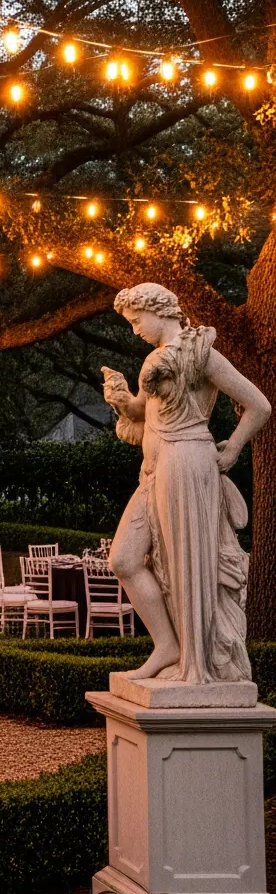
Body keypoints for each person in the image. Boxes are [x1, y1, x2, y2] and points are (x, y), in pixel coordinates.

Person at [103, 283, 270, 684]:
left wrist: (232, 450)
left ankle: (197, 658)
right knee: (124, 560)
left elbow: (259, 405)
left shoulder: (201, 353)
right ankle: (168, 645)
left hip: (187, 464)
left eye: (136, 319)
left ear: (158, 310)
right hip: (156, 469)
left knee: (184, 564)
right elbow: (143, 411)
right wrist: (121, 398)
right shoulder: (154, 358)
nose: (134, 329)